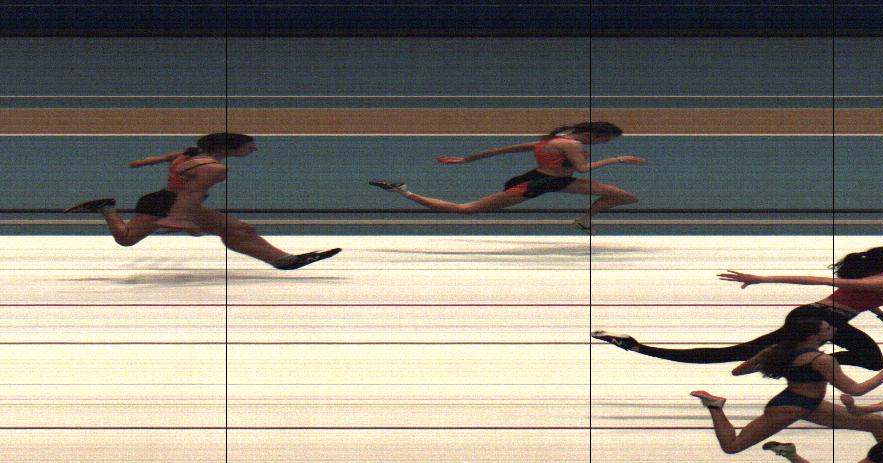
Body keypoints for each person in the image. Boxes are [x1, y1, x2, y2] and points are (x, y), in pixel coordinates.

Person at [593, 246, 883, 371]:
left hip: (825, 318)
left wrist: (880, 314)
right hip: (817, 320)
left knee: (870, 359)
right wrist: (762, 278)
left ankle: (798, 363)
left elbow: (862, 297)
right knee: (736, 353)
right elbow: (817, 282)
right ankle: (636, 346)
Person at [65, 133, 339, 270]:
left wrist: (146, 162)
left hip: (160, 199)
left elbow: (160, 160)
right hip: (169, 204)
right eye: (249, 147)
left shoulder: (190, 154)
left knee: (239, 230)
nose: (254, 149)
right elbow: (190, 196)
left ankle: (106, 206)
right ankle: (283, 261)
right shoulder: (214, 169)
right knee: (238, 229)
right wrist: (182, 221)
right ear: (228, 149)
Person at [686, 316, 883, 454]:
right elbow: (856, 390)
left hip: (809, 405)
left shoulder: (779, 351)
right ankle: (715, 406)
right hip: (789, 408)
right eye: (827, 328)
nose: (833, 330)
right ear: (812, 336)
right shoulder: (821, 360)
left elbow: (738, 371)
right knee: (732, 446)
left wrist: (768, 360)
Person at [368, 121, 643, 231]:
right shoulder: (570, 145)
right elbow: (582, 169)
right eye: (605, 141)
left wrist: (466, 159)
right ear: (593, 135)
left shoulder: (554, 140)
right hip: (536, 183)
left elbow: (504, 149)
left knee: (623, 196)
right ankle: (403, 191)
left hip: (558, 181)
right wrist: (617, 159)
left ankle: (584, 220)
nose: (604, 145)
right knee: (467, 210)